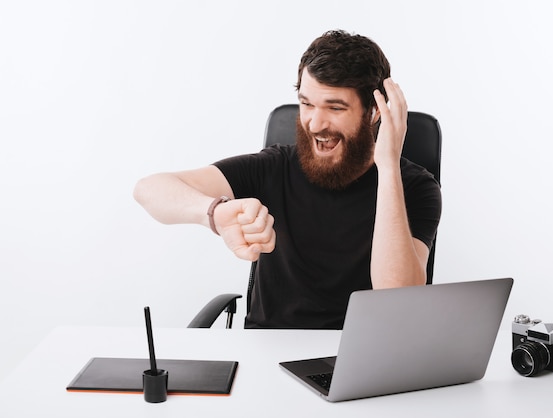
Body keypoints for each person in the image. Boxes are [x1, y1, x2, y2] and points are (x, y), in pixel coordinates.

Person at [133, 30, 442, 329]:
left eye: (335, 107)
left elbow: (397, 298)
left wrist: (387, 168)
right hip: (270, 352)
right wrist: (213, 213)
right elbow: (149, 190)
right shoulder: (275, 166)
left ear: (375, 111)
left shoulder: (415, 186)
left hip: (360, 355)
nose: (315, 123)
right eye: (306, 103)